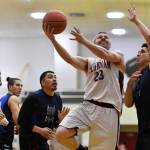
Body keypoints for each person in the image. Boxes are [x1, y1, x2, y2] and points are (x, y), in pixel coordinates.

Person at [43, 24, 125, 150]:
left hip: (109, 110)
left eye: (106, 37)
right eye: (99, 37)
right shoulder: (88, 62)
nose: (103, 38)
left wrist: (83, 41)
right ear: (94, 42)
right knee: (60, 134)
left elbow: (105, 54)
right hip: (88, 105)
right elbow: (69, 58)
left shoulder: (117, 56)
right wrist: (53, 40)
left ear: (110, 43)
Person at [18, 70, 70, 150]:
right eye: (50, 77)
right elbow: (21, 120)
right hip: (29, 140)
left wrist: (60, 121)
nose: (54, 79)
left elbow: (55, 124)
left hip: (43, 141)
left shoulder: (58, 99)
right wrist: (40, 130)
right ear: (43, 82)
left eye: (55, 77)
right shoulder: (34, 97)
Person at [124, 5, 150, 150]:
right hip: (142, 132)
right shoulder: (138, 78)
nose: (138, 54)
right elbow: (128, 104)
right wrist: (129, 85)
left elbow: (149, 37)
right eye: (138, 51)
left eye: (143, 51)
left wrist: (136, 20)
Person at [0, 77, 22, 150]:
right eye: (18, 85)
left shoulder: (2, 98)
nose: (20, 88)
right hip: (5, 137)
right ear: (10, 87)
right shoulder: (13, 98)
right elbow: (18, 121)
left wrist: (12, 126)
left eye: (21, 86)